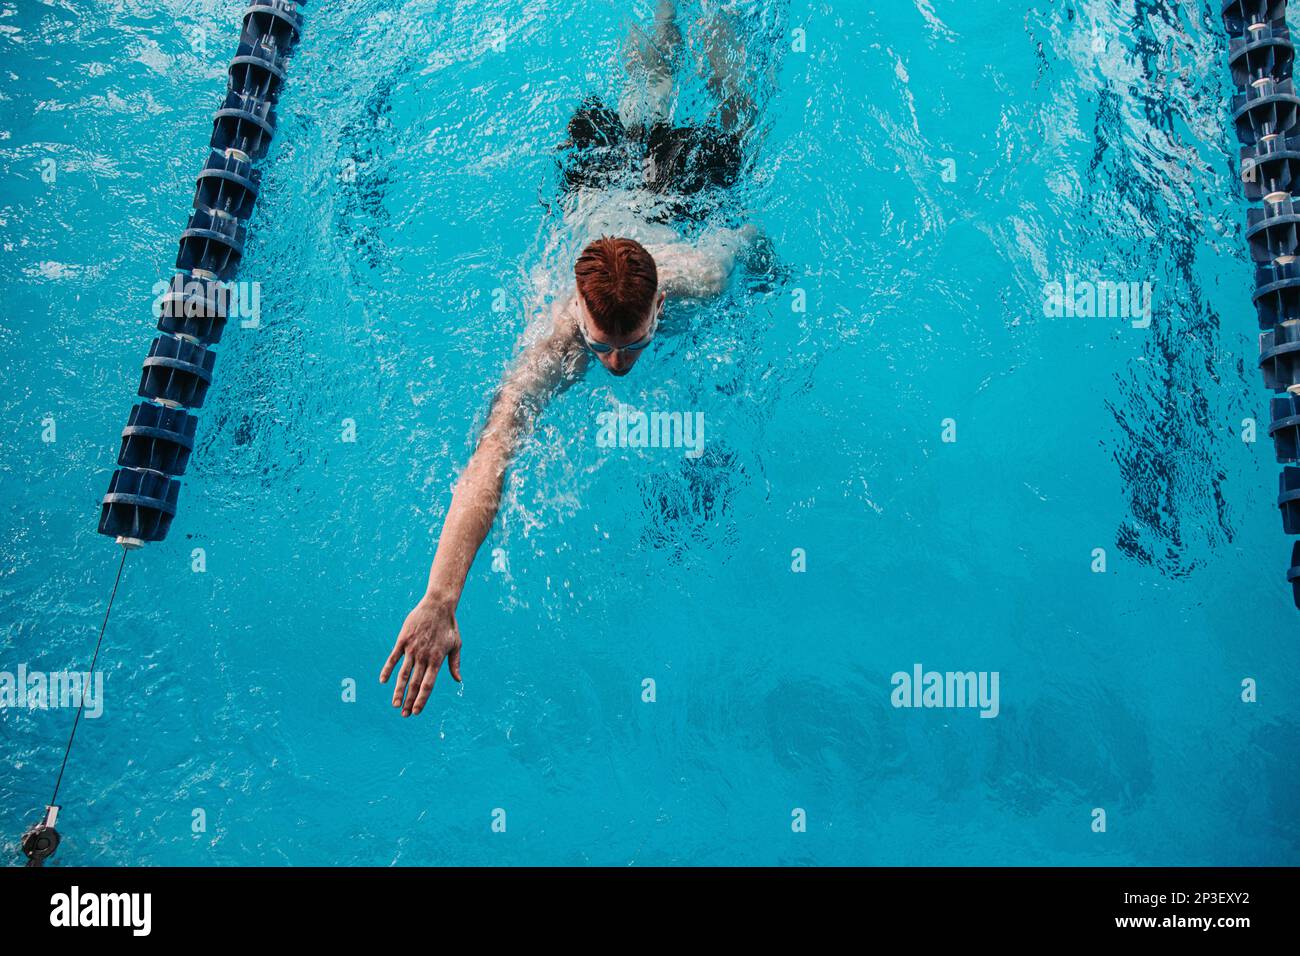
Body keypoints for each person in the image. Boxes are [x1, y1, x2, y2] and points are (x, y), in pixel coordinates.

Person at [381, 1, 761, 716]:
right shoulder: (554, 341)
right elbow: (489, 460)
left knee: (732, 116)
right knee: (641, 95)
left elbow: (750, 241)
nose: (616, 365)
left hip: (679, 199)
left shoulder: (696, 279)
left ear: (658, 310)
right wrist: (441, 596)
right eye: (601, 345)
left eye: (634, 344)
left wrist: (769, 272)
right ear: (578, 314)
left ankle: (716, 19)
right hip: (600, 191)